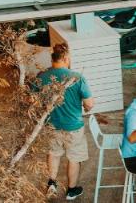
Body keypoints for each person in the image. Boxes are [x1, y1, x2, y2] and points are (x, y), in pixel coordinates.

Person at [39, 43, 94, 200]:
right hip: (73, 127)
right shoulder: (77, 77)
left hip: (51, 125)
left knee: (54, 154)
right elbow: (89, 104)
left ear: (53, 59)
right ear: (65, 58)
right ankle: (71, 190)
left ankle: (51, 184)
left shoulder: (41, 76)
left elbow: (34, 101)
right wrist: (84, 105)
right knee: (74, 158)